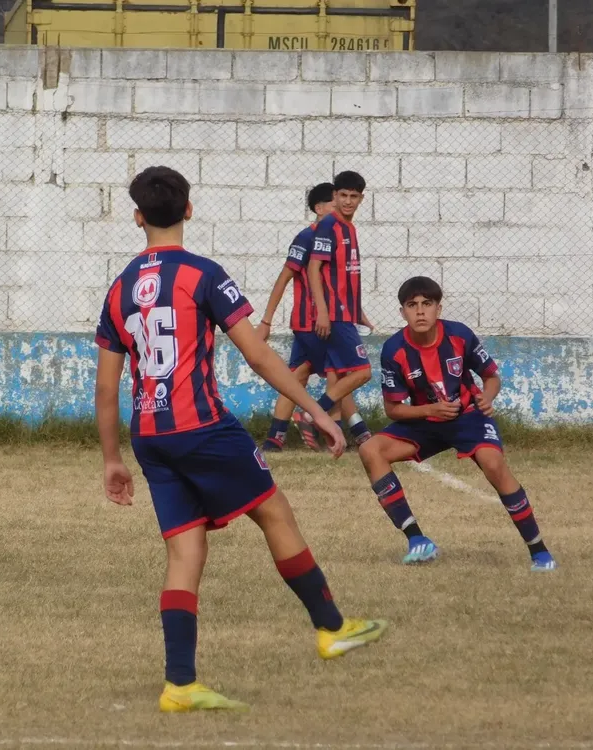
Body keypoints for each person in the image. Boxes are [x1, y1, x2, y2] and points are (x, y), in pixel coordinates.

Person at [94, 166, 388, 713]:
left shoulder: (119, 289)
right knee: (275, 513)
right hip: (202, 426)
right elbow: (257, 354)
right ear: (188, 210)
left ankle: (180, 684)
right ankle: (331, 627)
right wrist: (317, 412)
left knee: (185, 550)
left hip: (151, 436)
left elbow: (107, 387)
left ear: (137, 218)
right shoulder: (203, 274)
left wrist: (113, 459)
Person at [357, 276, 558, 572]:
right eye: (412, 305)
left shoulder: (459, 336)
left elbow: (491, 377)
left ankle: (539, 552)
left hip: (468, 417)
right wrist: (430, 409)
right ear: (403, 313)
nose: (420, 311)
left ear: (439, 308)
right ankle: (417, 540)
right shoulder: (394, 350)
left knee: (494, 465)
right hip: (425, 420)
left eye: (427, 304)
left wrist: (487, 398)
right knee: (370, 449)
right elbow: (393, 409)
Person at [258, 183, 366, 453]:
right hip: (313, 322)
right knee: (340, 373)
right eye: (335, 201)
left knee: (299, 375)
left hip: (315, 322)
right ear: (320, 208)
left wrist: (356, 313)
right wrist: (267, 320)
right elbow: (284, 279)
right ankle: (341, 433)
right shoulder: (308, 237)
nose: (342, 205)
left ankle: (274, 439)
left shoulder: (339, 234)